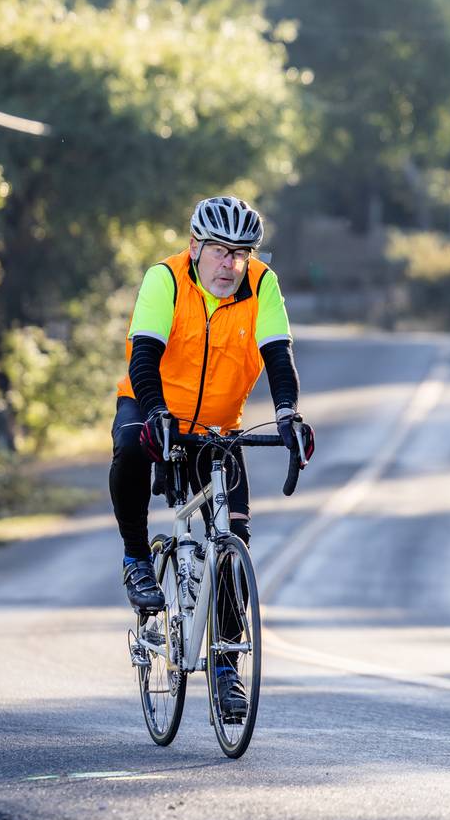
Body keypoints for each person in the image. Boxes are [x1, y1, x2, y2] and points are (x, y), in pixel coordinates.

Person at [110, 195, 314, 712]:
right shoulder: (165, 279)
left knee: (233, 540)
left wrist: (288, 414)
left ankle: (226, 667)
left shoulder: (262, 285)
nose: (230, 264)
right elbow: (143, 357)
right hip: (152, 404)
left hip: (218, 427)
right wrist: (156, 412)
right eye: (220, 251)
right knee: (129, 446)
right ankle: (137, 558)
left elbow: (279, 357)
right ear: (195, 247)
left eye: (241, 253)